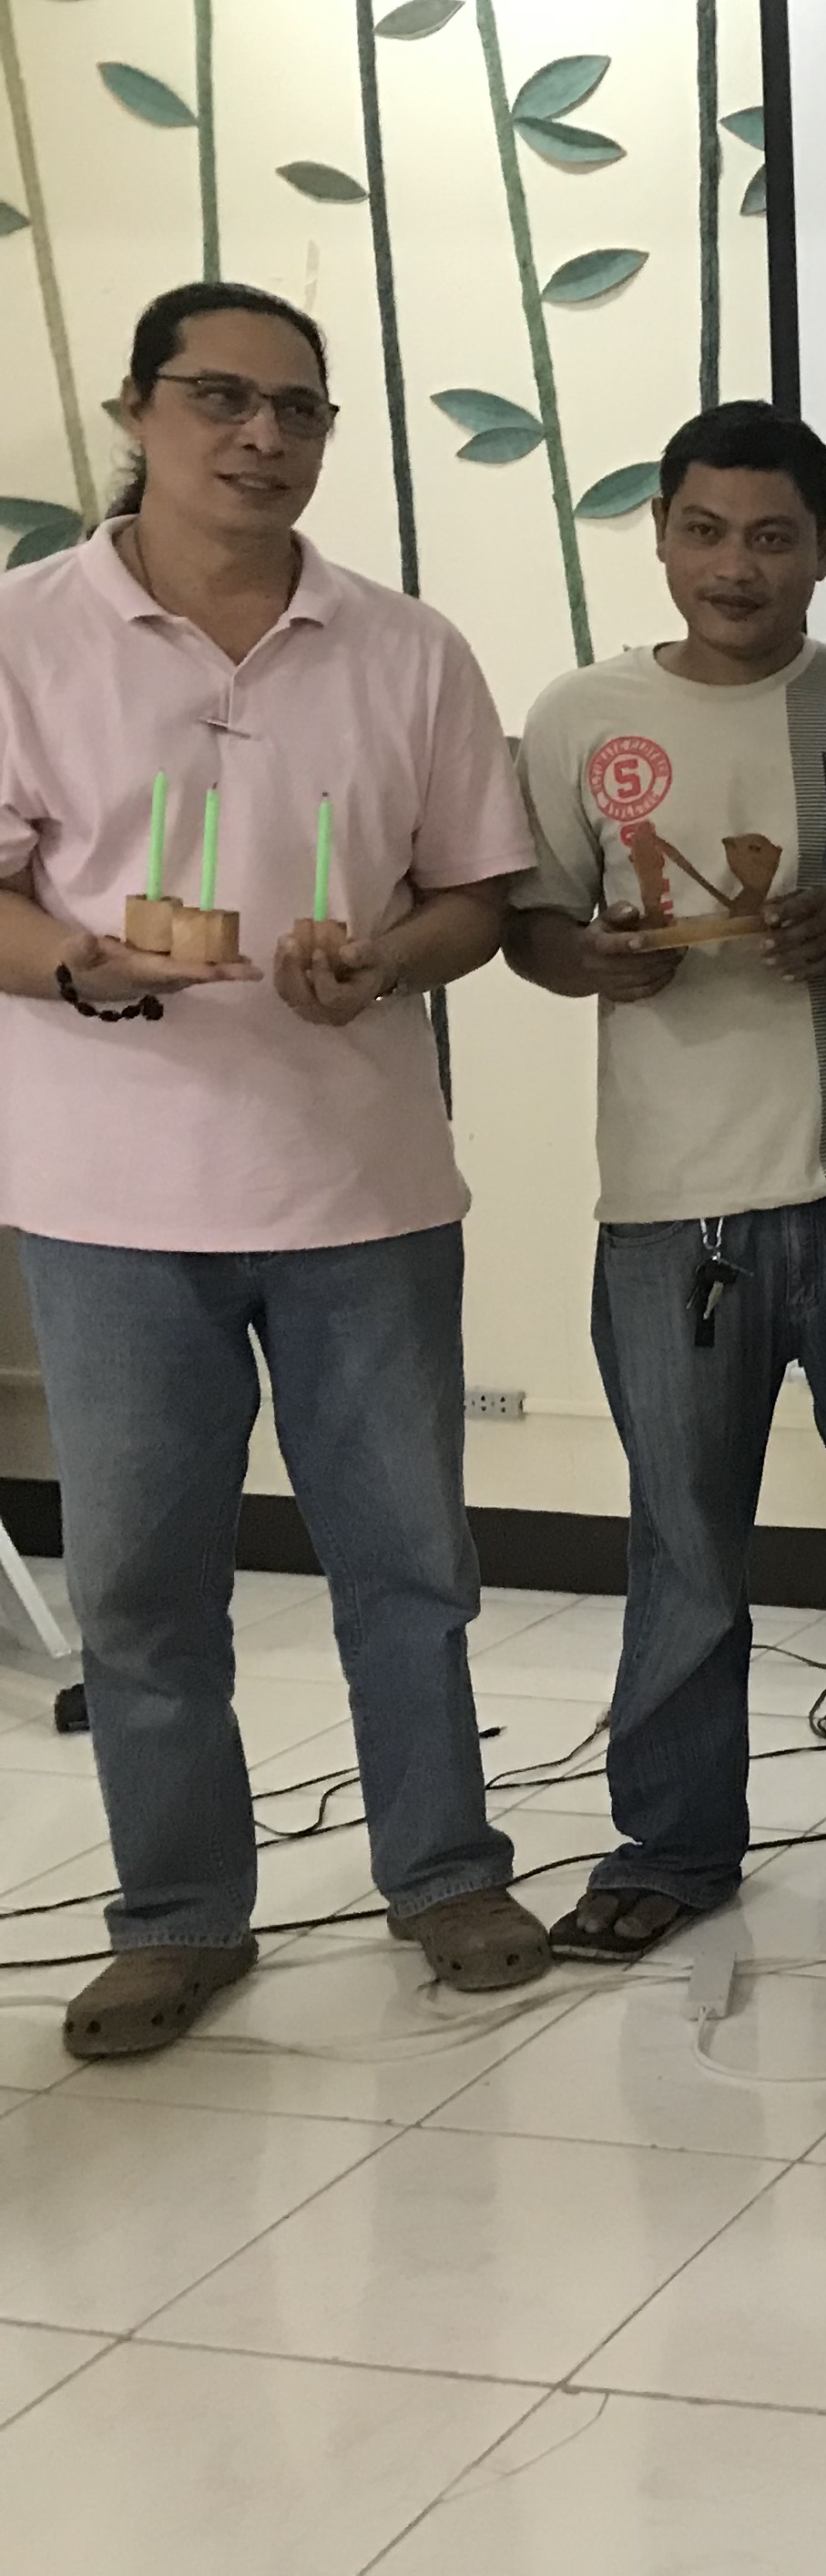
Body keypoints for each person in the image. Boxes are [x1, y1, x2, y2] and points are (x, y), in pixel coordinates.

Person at [0, 280, 549, 2054]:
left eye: (299, 410)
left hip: (363, 1192)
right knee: (147, 1591)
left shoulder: (407, 650)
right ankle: (178, 1913)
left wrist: (387, 961)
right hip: (108, 1204)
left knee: (409, 1564)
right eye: (222, 398)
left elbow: (476, 889)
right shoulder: (28, 636)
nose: (261, 437)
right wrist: (81, 963)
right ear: (141, 417)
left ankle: (446, 1871)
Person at [503, 402, 826, 1956]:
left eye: (775, 535)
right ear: (661, 533)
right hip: (669, 1210)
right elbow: (529, 925)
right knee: (683, 1538)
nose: (739, 567)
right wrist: (589, 962)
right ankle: (670, 1843)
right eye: (708, 531)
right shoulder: (578, 716)